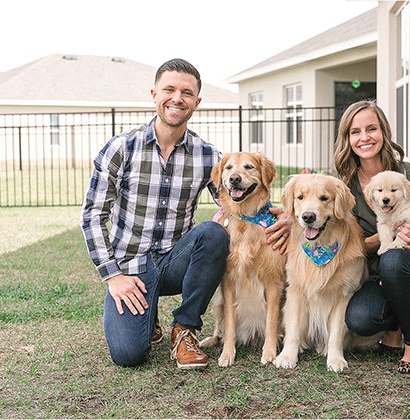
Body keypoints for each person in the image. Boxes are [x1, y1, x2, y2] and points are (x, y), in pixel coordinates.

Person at [80, 58, 289, 370]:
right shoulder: (121, 148)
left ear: (196, 102)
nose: (177, 98)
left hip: (178, 260)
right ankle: (146, 319)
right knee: (129, 354)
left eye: (186, 93)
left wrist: (281, 216)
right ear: (154, 94)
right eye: (169, 89)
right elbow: (93, 215)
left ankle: (185, 328)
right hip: (131, 267)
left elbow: (235, 200)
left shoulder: (208, 156)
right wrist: (113, 276)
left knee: (213, 234)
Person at [333, 100, 410, 374]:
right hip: (379, 278)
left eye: (371, 128)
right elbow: (337, 238)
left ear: (384, 132)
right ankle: (395, 326)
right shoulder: (344, 187)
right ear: (347, 139)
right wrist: (382, 239)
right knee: (360, 319)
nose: (364, 137)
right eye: (355, 132)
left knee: (393, 260)